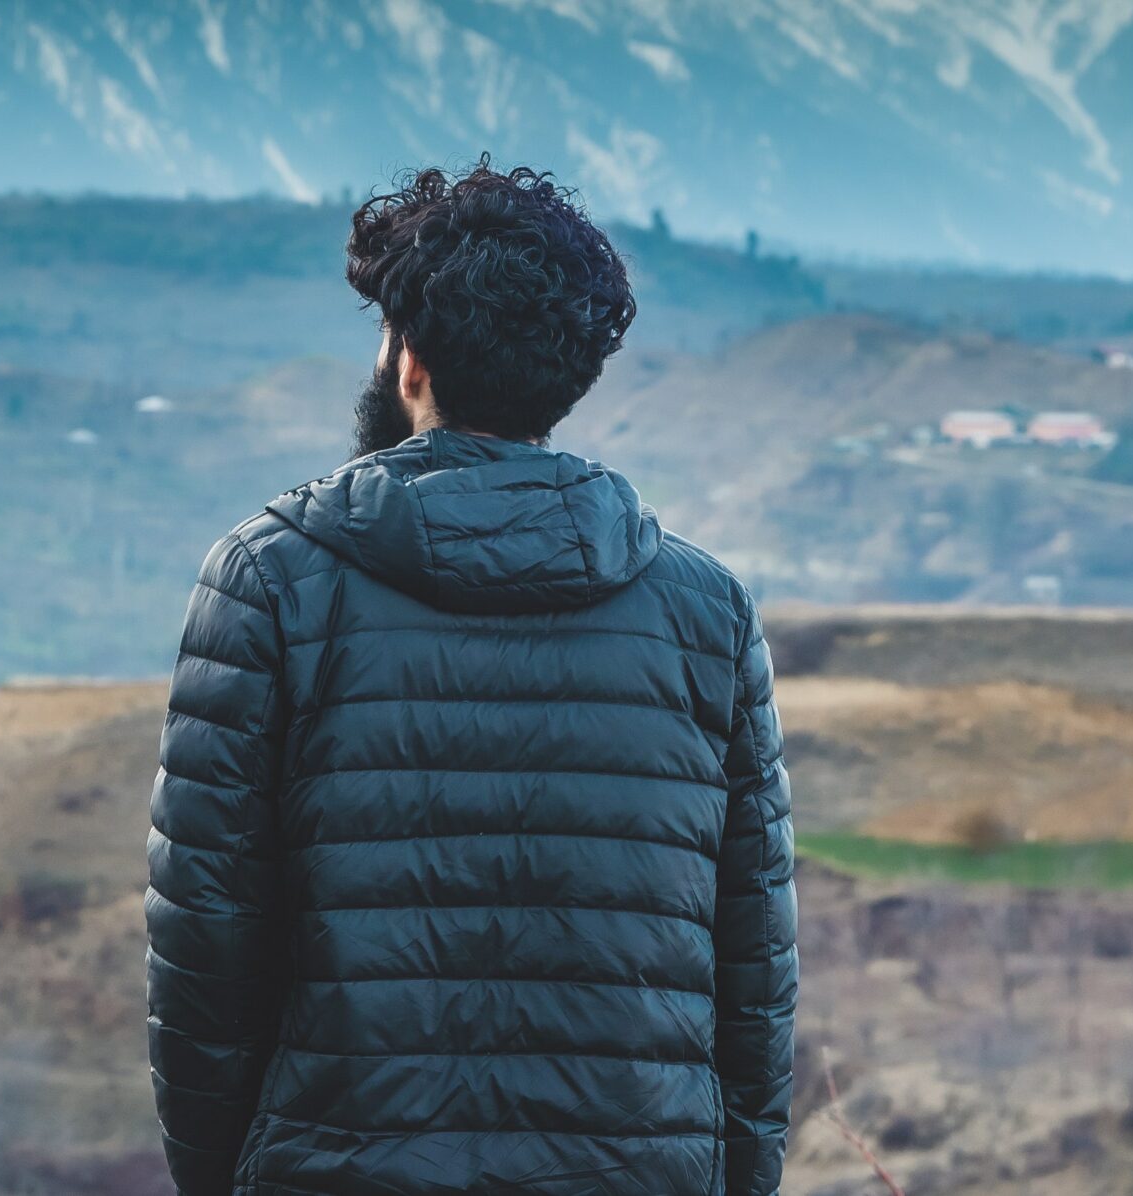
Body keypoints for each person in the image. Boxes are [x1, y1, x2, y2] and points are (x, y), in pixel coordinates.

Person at [145, 159, 796, 1196]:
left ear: (409, 361)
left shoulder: (267, 584)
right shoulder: (704, 613)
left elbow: (205, 962)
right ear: (566, 377)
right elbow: (752, 978)